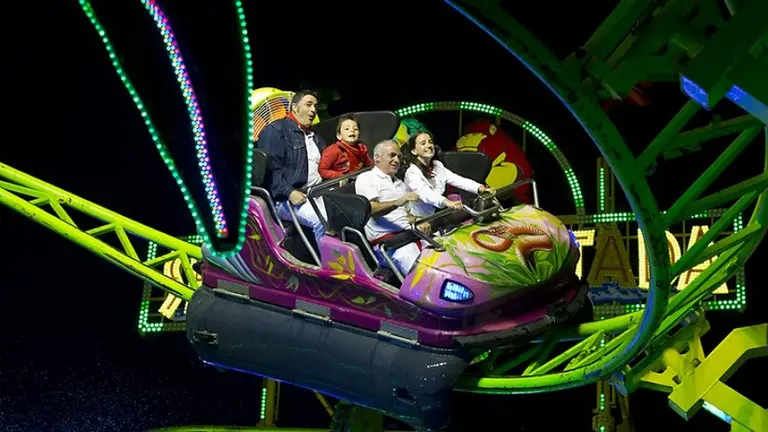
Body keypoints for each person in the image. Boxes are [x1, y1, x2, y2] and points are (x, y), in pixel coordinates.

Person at [257, 90, 327, 239]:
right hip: (287, 199)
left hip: (317, 193)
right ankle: (329, 262)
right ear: (294, 107)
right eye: (308, 105)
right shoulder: (276, 130)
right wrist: (289, 192)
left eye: (315, 106)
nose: (314, 110)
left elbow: (326, 166)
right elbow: (270, 170)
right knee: (322, 220)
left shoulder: (316, 137)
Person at [355, 140, 430, 276]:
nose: (397, 160)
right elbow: (370, 210)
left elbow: (404, 213)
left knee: (443, 255)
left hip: (408, 234)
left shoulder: (398, 182)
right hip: (388, 243)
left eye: (399, 157)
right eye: (392, 155)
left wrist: (417, 219)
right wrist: (397, 202)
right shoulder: (366, 178)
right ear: (377, 157)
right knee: (423, 274)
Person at [403, 131, 494, 218]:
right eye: (423, 143)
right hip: (420, 218)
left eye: (430, 142)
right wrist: (446, 202)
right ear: (414, 151)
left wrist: (480, 188)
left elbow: (458, 180)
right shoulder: (412, 172)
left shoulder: (437, 165)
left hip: (437, 214)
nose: (429, 145)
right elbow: (426, 194)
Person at [318, 115, 373, 179]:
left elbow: (370, 165)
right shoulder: (333, 151)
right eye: (347, 129)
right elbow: (322, 170)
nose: (352, 130)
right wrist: (340, 176)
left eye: (355, 129)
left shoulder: (362, 149)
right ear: (339, 136)